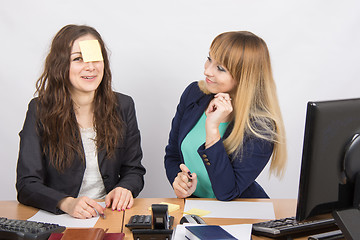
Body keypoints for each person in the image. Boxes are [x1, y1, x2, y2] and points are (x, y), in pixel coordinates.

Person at [16, 24, 146, 219]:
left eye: (96, 58)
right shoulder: (40, 109)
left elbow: (134, 170)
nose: (91, 67)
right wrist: (66, 203)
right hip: (61, 216)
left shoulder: (123, 105)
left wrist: (125, 188)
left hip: (108, 215)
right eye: (78, 59)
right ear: (60, 65)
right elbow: (27, 184)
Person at [164, 31, 287, 200]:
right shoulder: (194, 93)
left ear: (245, 78)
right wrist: (178, 181)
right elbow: (172, 155)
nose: (207, 71)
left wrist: (212, 129)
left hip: (240, 213)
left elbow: (227, 192)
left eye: (220, 68)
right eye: (209, 59)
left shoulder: (261, 127)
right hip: (197, 209)